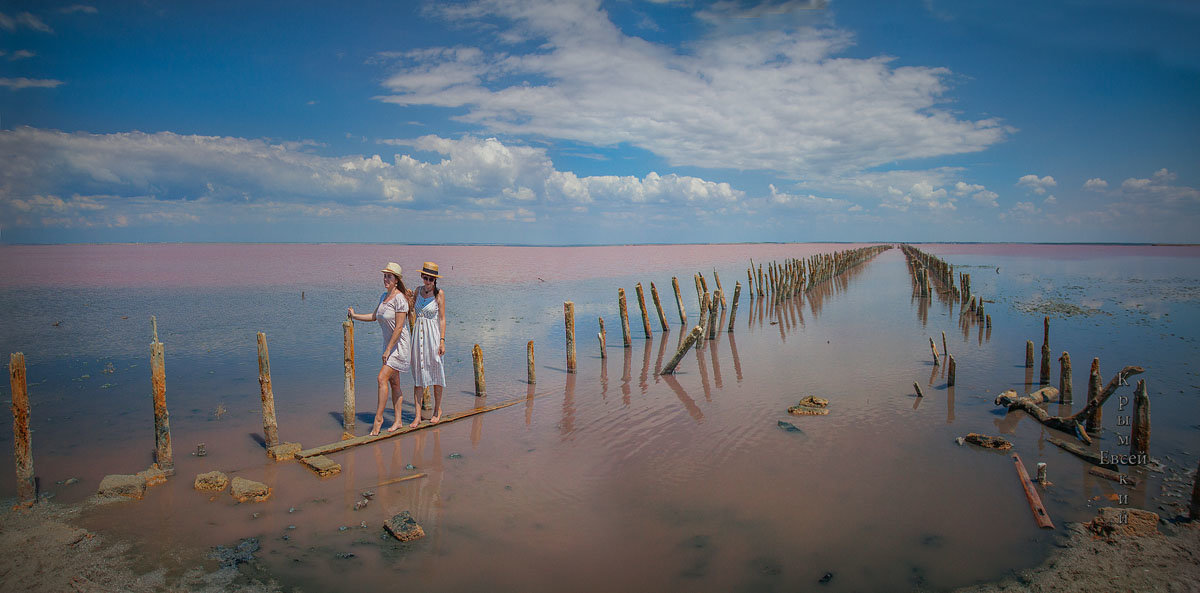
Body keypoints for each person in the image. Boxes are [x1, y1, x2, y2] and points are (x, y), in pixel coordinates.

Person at [348, 262, 413, 435]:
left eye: (389, 276)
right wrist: (355, 316)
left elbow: (399, 327)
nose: (385, 279)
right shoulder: (383, 296)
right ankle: (398, 421)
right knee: (394, 382)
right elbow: (374, 316)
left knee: (381, 379)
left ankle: (378, 419)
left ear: (396, 280)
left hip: (399, 345)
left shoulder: (400, 299)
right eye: (384, 276)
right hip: (389, 344)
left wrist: (388, 350)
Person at [410, 261, 447, 425]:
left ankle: (437, 409)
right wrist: (408, 297)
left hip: (433, 336)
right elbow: (410, 310)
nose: (427, 281)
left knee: (436, 373)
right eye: (425, 278)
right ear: (421, 277)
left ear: (435, 280)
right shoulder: (417, 291)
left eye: (431, 279)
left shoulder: (439, 294)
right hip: (418, 336)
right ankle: (417, 416)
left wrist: (442, 341)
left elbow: (443, 319)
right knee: (418, 375)